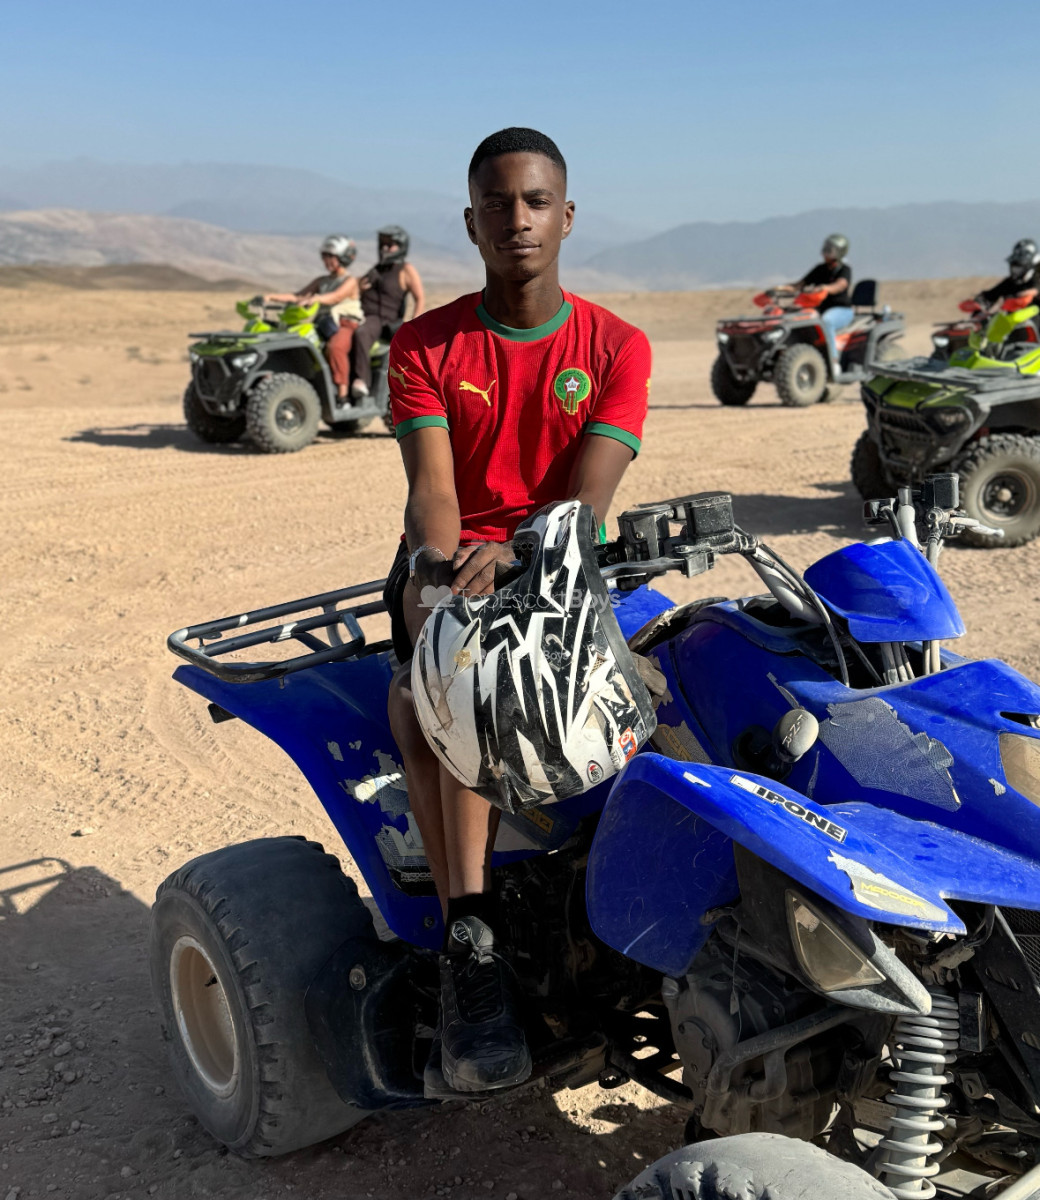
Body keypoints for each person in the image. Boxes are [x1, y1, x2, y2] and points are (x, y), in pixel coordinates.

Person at [382, 127, 651, 1096]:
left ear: (566, 216)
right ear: (471, 223)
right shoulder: (424, 344)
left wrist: (529, 552)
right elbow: (432, 490)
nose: (518, 219)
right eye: (497, 203)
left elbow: (589, 496)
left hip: (561, 558)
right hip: (450, 559)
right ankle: (472, 946)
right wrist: (443, 575)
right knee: (444, 695)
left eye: (536, 201)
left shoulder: (616, 347)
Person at [265, 235, 363, 403]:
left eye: (331, 256)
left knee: (335, 348)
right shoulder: (321, 281)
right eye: (324, 256)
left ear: (343, 257)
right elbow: (299, 296)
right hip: (324, 324)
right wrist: (271, 297)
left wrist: (316, 298)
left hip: (345, 323)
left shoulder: (350, 281)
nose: (327, 261)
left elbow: (336, 297)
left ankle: (343, 394)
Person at [349, 226, 425, 399]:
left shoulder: (405, 269)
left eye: (390, 245)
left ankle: (361, 381)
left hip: (382, 320)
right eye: (383, 244)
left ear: (401, 246)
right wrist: (359, 287)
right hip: (362, 314)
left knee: (362, 333)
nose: (385, 248)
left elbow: (419, 297)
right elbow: (358, 287)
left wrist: (413, 326)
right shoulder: (377, 268)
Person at [791, 234, 853, 368]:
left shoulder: (844, 269)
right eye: (826, 248)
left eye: (830, 249)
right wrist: (783, 289)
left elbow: (840, 285)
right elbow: (800, 284)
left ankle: (833, 361)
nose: (826, 252)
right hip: (820, 309)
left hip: (842, 310)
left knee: (826, 322)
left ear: (839, 252)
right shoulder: (820, 269)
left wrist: (825, 288)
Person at [976, 239, 1040, 311]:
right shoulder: (1011, 282)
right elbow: (992, 294)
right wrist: (979, 301)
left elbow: (1035, 288)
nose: (1015, 271)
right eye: (1014, 266)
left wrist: (1032, 292)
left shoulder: (1036, 277)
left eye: (1019, 266)